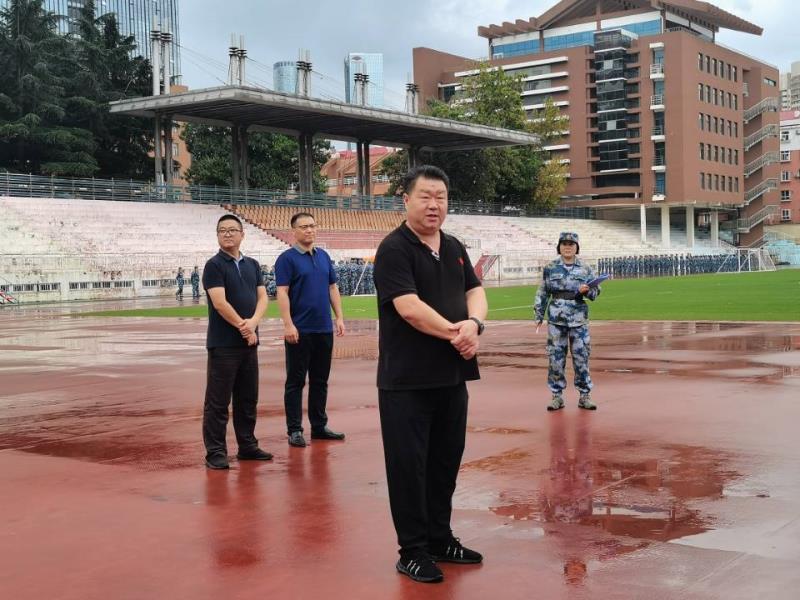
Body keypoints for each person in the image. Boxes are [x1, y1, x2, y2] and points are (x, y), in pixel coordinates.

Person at [374, 165, 488, 584]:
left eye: (440, 196)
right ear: (406, 200)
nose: (434, 204)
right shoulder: (395, 248)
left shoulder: (454, 245)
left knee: (444, 462)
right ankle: (413, 550)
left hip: (452, 376)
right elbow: (409, 308)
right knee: (409, 467)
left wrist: (475, 324)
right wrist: (458, 334)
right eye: (425, 196)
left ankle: (440, 538)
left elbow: (475, 290)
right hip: (407, 381)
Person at [201, 214, 272, 469]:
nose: (227, 234)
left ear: (243, 234)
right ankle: (215, 452)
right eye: (222, 230)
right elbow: (220, 303)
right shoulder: (214, 266)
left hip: (249, 343)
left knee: (247, 398)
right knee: (218, 402)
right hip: (224, 344)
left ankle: (247, 445)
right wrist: (245, 327)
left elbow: (263, 298)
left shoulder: (252, 265)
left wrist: (253, 323)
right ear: (217, 236)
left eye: (232, 229)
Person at [275, 212, 346, 448]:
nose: (309, 230)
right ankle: (295, 429)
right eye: (304, 226)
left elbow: (333, 287)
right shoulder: (286, 259)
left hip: (323, 328)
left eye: (312, 226)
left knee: (320, 380)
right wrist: (288, 324)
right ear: (294, 231)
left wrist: (339, 317)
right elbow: (282, 292)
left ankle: (319, 426)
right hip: (300, 329)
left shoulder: (324, 256)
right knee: (295, 381)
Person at [534, 232, 601, 411]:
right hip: (556, 320)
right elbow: (542, 292)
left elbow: (596, 293)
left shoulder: (585, 269)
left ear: (577, 247)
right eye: (564, 244)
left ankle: (584, 396)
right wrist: (539, 314)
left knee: (581, 358)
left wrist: (588, 291)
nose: (568, 247)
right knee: (555, 358)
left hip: (579, 320)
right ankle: (557, 396)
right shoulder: (550, 268)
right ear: (559, 247)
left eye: (571, 244)